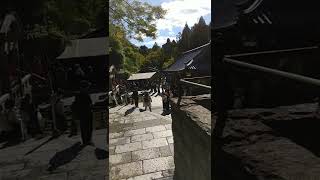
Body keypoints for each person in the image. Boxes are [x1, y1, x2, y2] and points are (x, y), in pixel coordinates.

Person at [73, 81, 94, 146]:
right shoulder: (86, 94)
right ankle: (88, 140)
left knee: (83, 128)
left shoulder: (78, 95)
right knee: (89, 127)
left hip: (81, 114)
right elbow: (90, 104)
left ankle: (85, 140)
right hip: (87, 113)